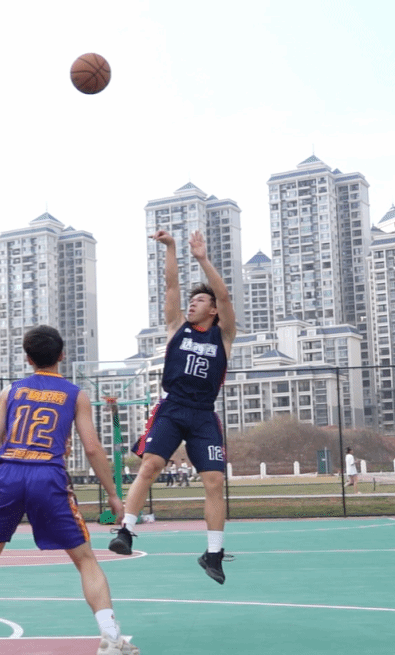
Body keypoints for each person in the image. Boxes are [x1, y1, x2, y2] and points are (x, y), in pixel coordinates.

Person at [0, 325, 137, 655]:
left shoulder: (10, 392)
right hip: (48, 475)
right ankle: (111, 637)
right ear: (62, 355)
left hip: (9, 473)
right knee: (85, 559)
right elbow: (92, 448)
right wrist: (114, 495)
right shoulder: (75, 394)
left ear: (28, 358)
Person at [110, 229, 236, 586]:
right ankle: (126, 531)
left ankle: (213, 553)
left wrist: (202, 259)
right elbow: (171, 287)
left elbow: (225, 296)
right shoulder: (177, 327)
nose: (192, 304)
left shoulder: (224, 335)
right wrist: (171, 248)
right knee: (150, 465)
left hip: (203, 414)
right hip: (172, 408)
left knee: (214, 480)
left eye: (200, 301)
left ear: (213, 310)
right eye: (191, 300)